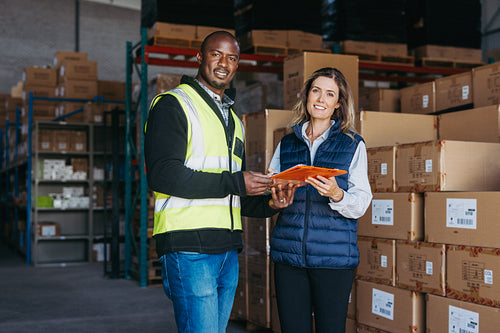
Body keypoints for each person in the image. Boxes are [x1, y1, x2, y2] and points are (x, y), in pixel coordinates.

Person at [144, 31, 295, 333]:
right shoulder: (174, 104)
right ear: (200, 57)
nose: (224, 63)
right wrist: (237, 182)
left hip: (227, 249)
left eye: (232, 58)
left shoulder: (233, 121)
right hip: (188, 246)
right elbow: (163, 175)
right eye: (216, 54)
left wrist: (269, 203)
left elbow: (229, 194)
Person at [268, 67, 372, 333]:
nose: (321, 99)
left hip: (333, 258)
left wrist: (337, 194)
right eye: (316, 91)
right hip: (289, 257)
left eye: (329, 94)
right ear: (306, 96)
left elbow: (361, 202)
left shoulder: (352, 145)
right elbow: (271, 186)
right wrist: (274, 191)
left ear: (338, 104)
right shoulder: (287, 143)